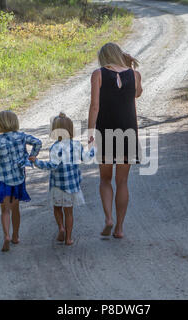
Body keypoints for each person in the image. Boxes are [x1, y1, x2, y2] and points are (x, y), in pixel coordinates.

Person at [87, 42, 143, 238]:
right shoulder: (134, 75)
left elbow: (95, 106)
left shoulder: (98, 74)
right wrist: (131, 67)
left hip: (106, 130)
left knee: (104, 179)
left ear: (103, 57)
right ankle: (119, 228)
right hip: (128, 130)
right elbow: (137, 93)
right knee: (123, 182)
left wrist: (90, 133)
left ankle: (108, 218)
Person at [29, 112, 95, 245]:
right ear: (71, 129)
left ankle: (61, 228)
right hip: (71, 187)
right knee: (69, 213)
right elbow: (87, 158)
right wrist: (92, 147)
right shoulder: (77, 146)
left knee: (57, 208)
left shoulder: (55, 148)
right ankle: (69, 238)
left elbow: (51, 166)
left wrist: (36, 161)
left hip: (57, 186)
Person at [0, 110, 42, 252]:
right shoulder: (21, 137)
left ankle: (6, 235)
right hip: (18, 180)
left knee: (5, 211)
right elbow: (38, 142)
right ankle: (15, 236)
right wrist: (31, 157)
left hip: (3, 181)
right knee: (16, 209)